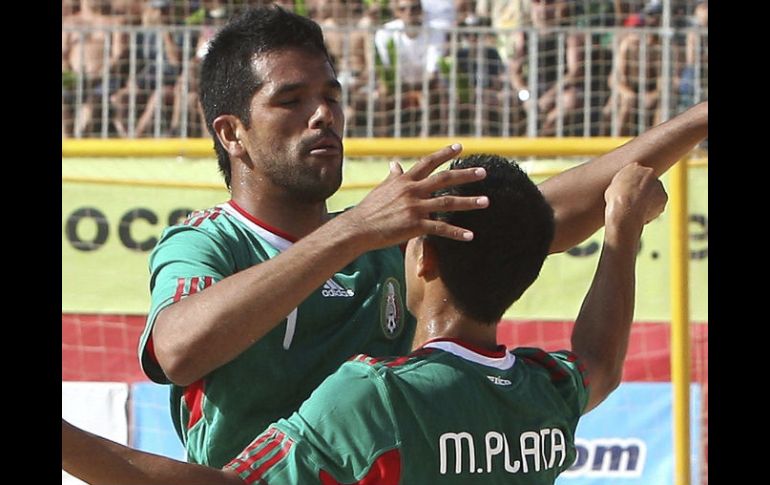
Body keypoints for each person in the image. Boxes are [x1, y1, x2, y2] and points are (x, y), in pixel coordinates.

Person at [136, 4, 707, 469]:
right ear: (232, 133)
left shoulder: (388, 230)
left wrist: (698, 120)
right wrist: (352, 233)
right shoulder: (208, 243)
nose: (322, 116)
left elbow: (544, 210)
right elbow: (176, 351)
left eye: (331, 97)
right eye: (291, 100)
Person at [64, 153, 669, 484]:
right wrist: (620, 233)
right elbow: (601, 363)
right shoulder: (543, 389)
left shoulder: (374, 395)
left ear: (424, 257)